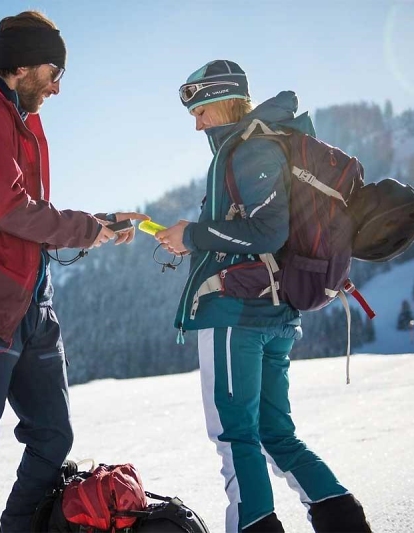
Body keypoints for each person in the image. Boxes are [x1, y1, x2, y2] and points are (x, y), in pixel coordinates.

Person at [0, 11, 147, 532]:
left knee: (51, 435)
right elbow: (5, 207)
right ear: (23, 66)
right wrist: (87, 228)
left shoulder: (20, 120)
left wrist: (100, 224)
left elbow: (27, 211)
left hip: (31, 303)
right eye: (53, 72)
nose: (58, 87)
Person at [155, 60, 372, 533]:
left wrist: (192, 234)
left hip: (236, 313)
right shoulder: (265, 143)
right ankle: (344, 521)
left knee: (236, 437)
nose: (196, 123)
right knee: (277, 433)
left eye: (200, 110)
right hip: (274, 312)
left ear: (223, 98)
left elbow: (266, 232)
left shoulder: (250, 150)